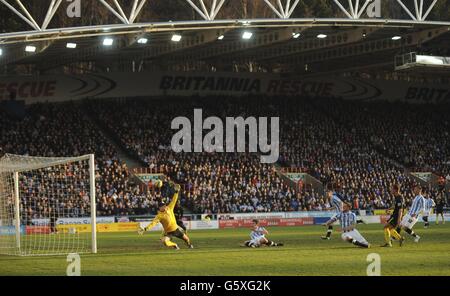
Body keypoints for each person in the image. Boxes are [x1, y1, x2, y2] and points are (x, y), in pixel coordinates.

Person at [138, 183, 193, 250]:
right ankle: (175, 245)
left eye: (164, 205)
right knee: (165, 242)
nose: (165, 206)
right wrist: (145, 229)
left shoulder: (169, 208)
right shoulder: (159, 216)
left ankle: (189, 245)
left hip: (176, 229)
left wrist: (176, 192)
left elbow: (174, 200)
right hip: (168, 232)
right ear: (160, 208)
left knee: (186, 239)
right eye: (163, 206)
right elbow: (153, 224)